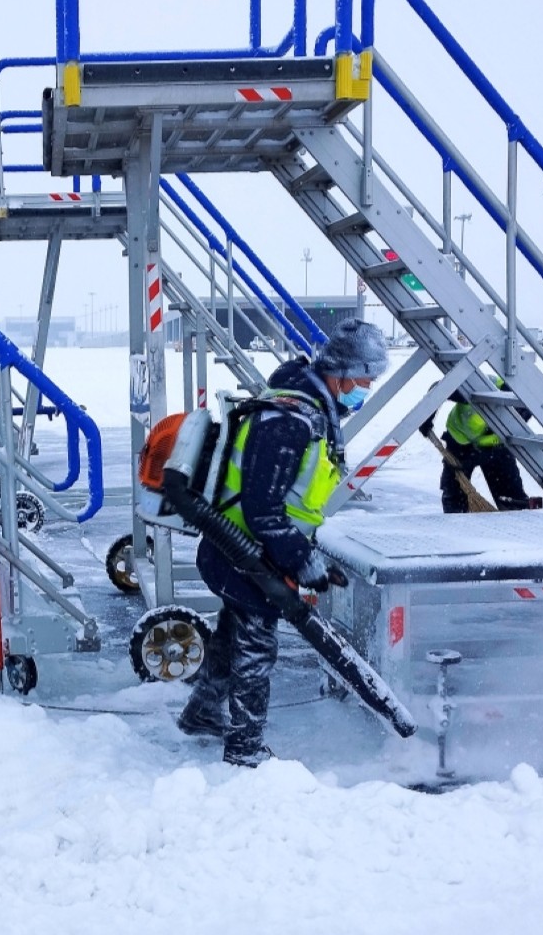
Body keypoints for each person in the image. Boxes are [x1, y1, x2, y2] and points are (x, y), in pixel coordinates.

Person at [178, 318, 388, 767]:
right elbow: (263, 509)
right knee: (256, 648)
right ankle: (244, 750)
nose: (364, 390)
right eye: (364, 380)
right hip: (242, 550)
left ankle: (202, 714)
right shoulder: (289, 421)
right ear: (342, 372)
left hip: (246, 549)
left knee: (233, 636)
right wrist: (303, 561)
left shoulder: (307, 410)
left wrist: (302, 555)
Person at [419, 378, 530, 513]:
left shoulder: (524, 407)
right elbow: (438, 388)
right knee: (454, 492)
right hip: (460, 442)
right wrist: (426, 418)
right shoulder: (479, 388)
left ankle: (515, 517)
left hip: (496, 449)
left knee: (511, 496)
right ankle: (455, 521)